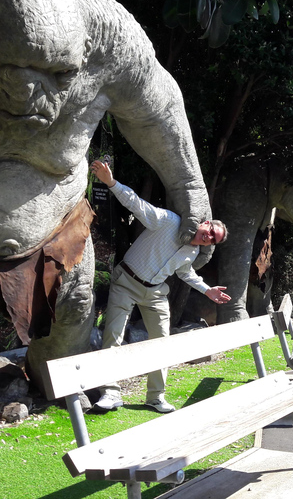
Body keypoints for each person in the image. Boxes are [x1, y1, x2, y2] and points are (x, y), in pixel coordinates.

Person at [90, 160, 232, 414]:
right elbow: (137, 204)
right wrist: (110, 183)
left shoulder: (192, 252)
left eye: (214, 240)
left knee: (161, 343)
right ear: (204, 222)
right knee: (113, 335)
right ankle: (110, 393)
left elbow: (186, 273)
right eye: (211, 231)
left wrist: (207, 290)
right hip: (126, 282)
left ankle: (155, 397)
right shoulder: (169, 221)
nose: (209, 238)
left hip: (155, 292)